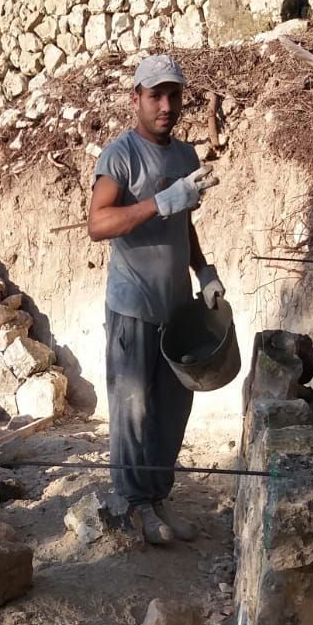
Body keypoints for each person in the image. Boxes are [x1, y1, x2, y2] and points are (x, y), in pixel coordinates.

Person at [87, 53, 222, 546]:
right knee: (134, 410)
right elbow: (98, 223)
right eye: (155, 95)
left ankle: (157, 497)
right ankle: (133, 503)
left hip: (176, 307)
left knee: (171, 408)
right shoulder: (120, 156)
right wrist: (159, 202)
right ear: (136, 99)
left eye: (173, 96)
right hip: (133, 305)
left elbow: (184, 224)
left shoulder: (185, 158)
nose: (166, 106)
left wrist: (203, 271)